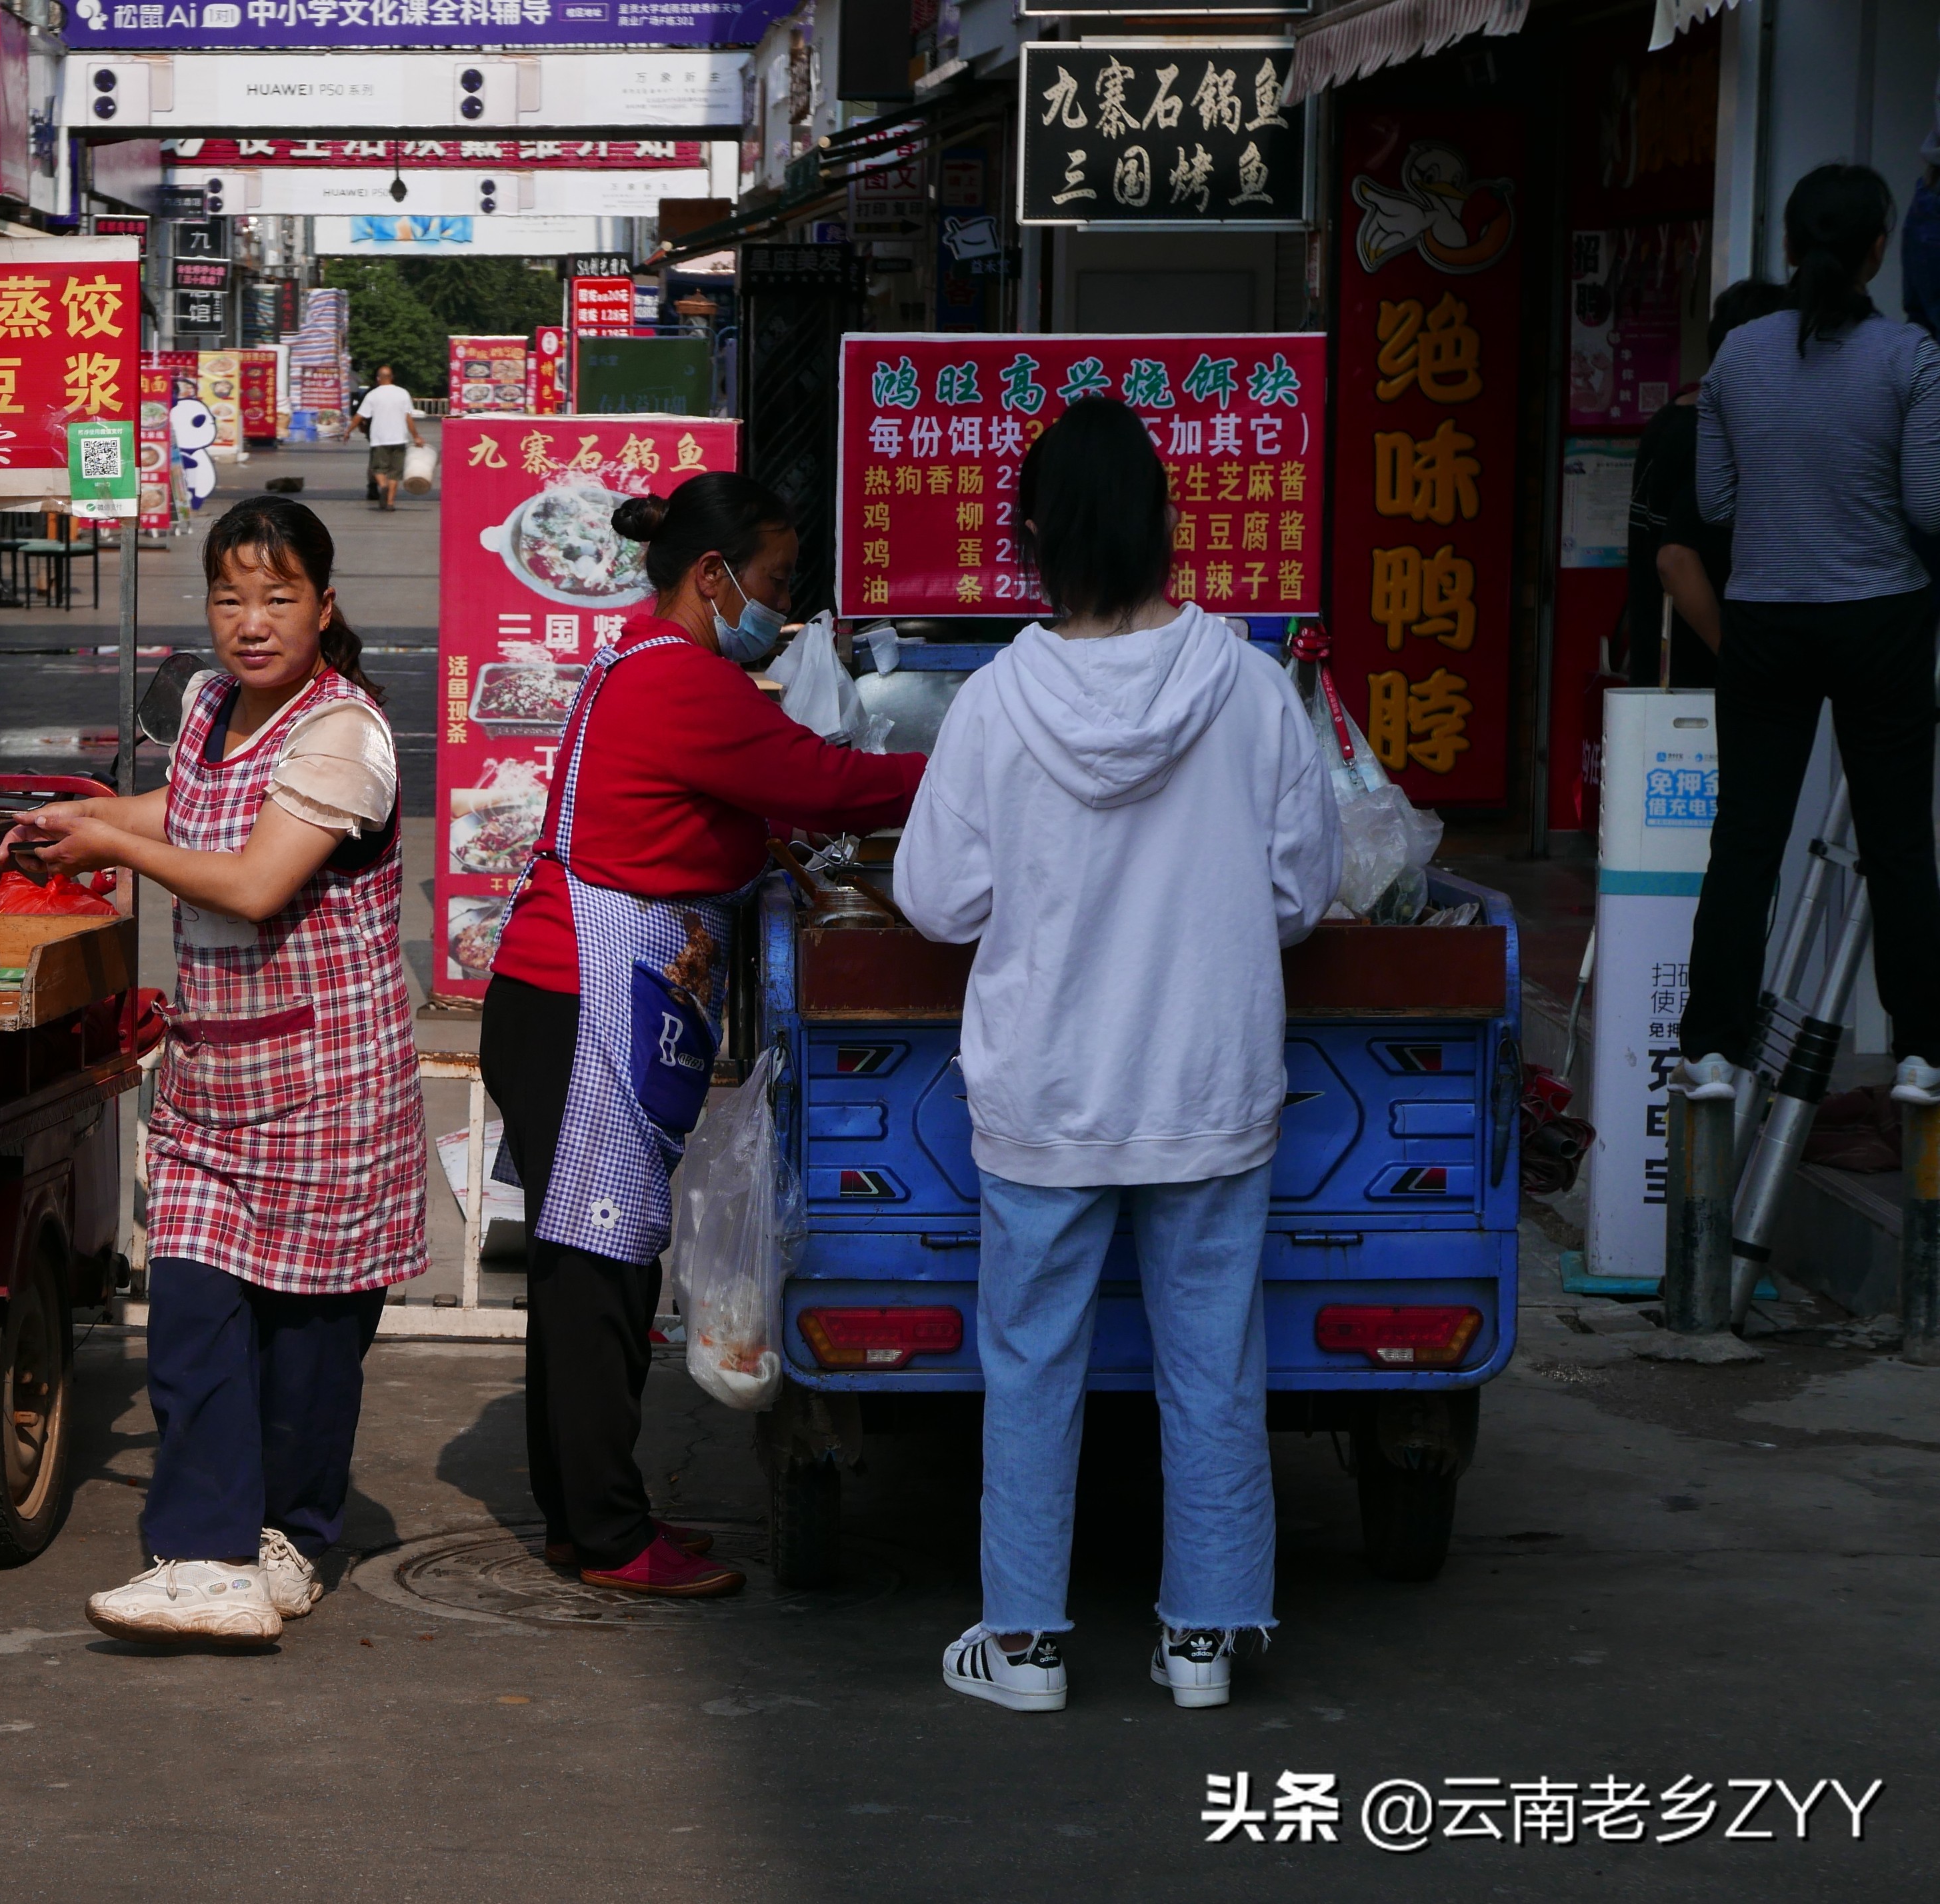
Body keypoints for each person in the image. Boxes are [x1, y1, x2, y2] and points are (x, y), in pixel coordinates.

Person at [891, 398, 1340, 1713]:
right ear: (1162, 528)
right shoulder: (1252, 692)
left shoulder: (995, 705)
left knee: (1032, 1364)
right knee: (1214, 1360)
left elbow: (935, 903)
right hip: (1208, 1084)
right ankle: (1204, 1640)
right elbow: (1303, 893)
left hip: (1044, 1090)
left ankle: (1025, 1645)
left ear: (1032, 536)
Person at [478, 472, 925, 1598]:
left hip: (579, 991)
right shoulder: (681, 679)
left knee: (592, 1268)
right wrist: (992, 763)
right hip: (585, 993)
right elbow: (827, 785)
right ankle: (614, 1536)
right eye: (775, 582)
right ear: (713, 576)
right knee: (601, 1273)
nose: (783, 607)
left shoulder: (648, 661)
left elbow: (750, 804)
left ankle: (586, 1523)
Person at [24, 496, 422, 1646]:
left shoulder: (343, 735)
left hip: (327, 1085)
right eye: (230, 598)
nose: (252, 623)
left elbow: (253, 882)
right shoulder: (207, 707)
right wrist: (90, 817)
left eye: (279, 598)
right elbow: (189, 808)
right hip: (217, 1078)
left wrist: (113, 843)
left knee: (307, 1343)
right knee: (194, 1308)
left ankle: (289, 1534)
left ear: (324, 607)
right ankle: (205, 1558)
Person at [1680, 163, 1940, 1115]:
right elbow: (1927, 503)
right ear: (1878, 248)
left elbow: (1714, 502)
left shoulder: (1738, 356)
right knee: (1899, 838)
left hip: (1765, 616)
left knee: (1746, 834)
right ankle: (1921, 1052)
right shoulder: (1912, 357)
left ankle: (1710, 1047)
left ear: (1787, 246)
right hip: (1880, 617)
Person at [1623, 280, 1787, 687]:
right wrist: (1736, 660)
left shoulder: (1670, 418)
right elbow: (1675, 559)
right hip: (1699, 688)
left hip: (1658, 672)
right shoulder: (1715, 435)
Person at [345, 364, 423, 511]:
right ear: (392, 378)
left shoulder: (373, 395)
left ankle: (383, 486)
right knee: (395, 473)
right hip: (400, 438)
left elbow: (360, 416)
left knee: (379, 469)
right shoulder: (403, 393)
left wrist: (348, 431)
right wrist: (416, 437)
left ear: (378, 379)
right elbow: (408, 418)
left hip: (379, 439)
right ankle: (390, 503)